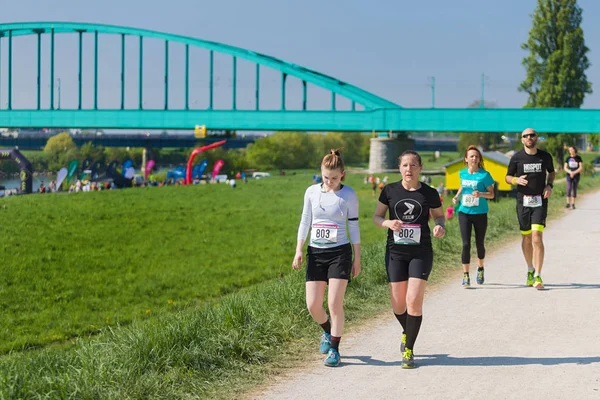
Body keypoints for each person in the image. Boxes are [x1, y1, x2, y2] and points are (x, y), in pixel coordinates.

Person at [373, 150, 445, 369]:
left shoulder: (430, 193)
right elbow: (377, 217)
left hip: (420, 252)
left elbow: (439, 215)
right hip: (395, 252)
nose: (409, 169)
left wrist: (440, 225)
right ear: (399, 168)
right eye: (405, 165)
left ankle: (409, 349)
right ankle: (408, 330)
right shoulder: (389, 190)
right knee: (398, 304)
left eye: (413, 165)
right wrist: (386, 223)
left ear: (420, 168)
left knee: (413, 301)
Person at [292, 149, 361, 368]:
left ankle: (335, 349)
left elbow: (354, 226)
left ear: (342, 174)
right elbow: (305, 221)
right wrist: (299, 250)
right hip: (316, 253)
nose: (329, 182)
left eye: (334, 178)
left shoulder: (348, 195)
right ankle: (327, 331)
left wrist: (357, 258)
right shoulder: (311, 192)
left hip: (340, 252)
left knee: (334, 302)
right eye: (325, 177)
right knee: (312, 305)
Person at [505, 128, 555, 290]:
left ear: (536, 138)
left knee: (536, 237)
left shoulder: (545, 157)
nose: (529, 138)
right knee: (526, 238)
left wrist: (549, 185)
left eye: (531, 135)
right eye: (525, 136)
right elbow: (507, 177)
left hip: (540, 201)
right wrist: (516, 180)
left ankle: (538, 275)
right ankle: (530, 269)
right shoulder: (517, 158)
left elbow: (552, 173)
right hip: (523, 202)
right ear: (522, 140)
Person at [452, 146, 495, 288]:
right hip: (464, 212)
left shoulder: (485, 175)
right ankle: (465, 275)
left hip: (480, 213)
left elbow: (492, 194)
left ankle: (480, 268)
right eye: (471, 156)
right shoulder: (462, 173)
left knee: (479, 243)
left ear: (479, 159)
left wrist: (481, 194)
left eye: (476, 156)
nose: (474, 159)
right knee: (465, 244)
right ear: (466, 159)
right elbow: (463, 187)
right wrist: (457, 196)